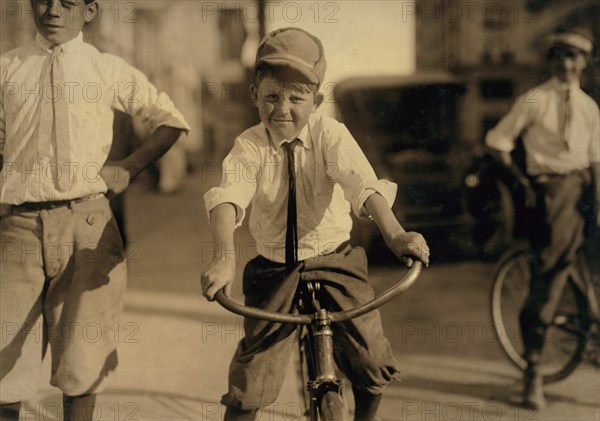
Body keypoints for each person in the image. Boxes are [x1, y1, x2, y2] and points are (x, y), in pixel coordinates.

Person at [200, 27, 430, 421]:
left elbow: (363, 186)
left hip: (336, 260)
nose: (282, 109)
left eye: (296, 98)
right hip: (274, 270)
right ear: (255, 94)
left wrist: (395, 234)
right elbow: (228, 197)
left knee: (371, 360)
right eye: (271, 96)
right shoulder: (250, 146)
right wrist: (224, 258)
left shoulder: (331, 136)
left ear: (317, 100)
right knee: (250, 384)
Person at [0, 0, 190, 419]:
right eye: (42, 0)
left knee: (82, 359)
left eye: (66, 3)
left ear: (88, 11)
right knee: (4, 360)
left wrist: (130, 167)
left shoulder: (106, 68)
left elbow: (171, 120)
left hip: (87, 226)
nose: (51, 10)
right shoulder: (7, 68)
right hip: (18, 228)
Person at [485, 27, 599, 409]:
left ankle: (592, 325)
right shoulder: (534, 100)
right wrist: (522, 185)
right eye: (561, 56)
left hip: (585, 190)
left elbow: (596, 160)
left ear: (585, 62)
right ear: (552, 61)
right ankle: (534, 368)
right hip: (552, 194)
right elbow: (497, 143)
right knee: (549, 277)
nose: (568, 65)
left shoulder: (589, 107)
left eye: (576, 57)